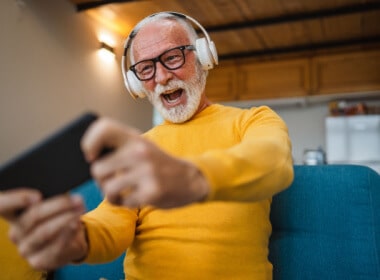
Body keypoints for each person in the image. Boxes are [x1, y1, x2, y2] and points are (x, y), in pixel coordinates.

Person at [0, 12, 294, 279]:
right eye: (146, 68)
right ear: (137, 83)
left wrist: (191, 177)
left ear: (203, 56)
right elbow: (113, 220)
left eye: (173, 58)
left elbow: (273, 163)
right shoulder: (141, 147)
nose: (162, 77)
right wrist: (79, 238)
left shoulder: (253, 121)